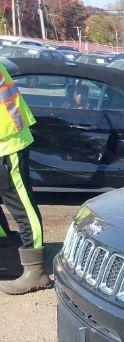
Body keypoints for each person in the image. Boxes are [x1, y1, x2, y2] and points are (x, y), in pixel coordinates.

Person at [0, 62, 50, 294]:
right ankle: (6, 247)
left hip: (8, 141)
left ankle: (36, 271)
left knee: (22, 205)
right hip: (6, 138)